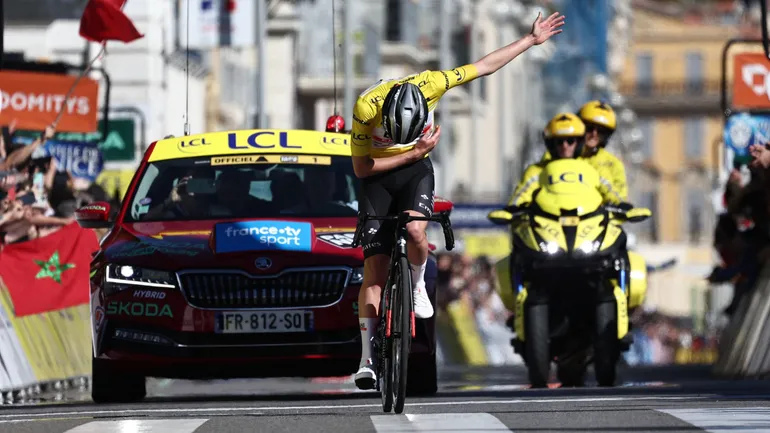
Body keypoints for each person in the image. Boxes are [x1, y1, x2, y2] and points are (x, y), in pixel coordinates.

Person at [350, 11, 566, 390]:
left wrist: (529, 41)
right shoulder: (366, 108)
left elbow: (483, 66)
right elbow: (362, 168)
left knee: (417, 230)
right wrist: (411, 151)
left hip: (416, 167)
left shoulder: (431, 83)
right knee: (375, 268)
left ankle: (416, 284)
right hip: (378, 173)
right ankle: (368, 358)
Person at [507, 112, 624, 208]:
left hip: (586, 225)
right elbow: (522, 193)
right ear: (551, 144)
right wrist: (513, 209)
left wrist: (621, 205)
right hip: (547, 226)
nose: (565, 146)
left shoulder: (591, 169)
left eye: (570, 141)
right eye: (559, 141)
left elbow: (610, 192)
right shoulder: (538, 170)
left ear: (579, 143)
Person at [539, 101, 628, 202]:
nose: (594, 134)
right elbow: (538, 181)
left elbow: (620, 198)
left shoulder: (613, 164)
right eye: (589, 128)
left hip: (597, 216)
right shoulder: (558, 153)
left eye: (601, 131)